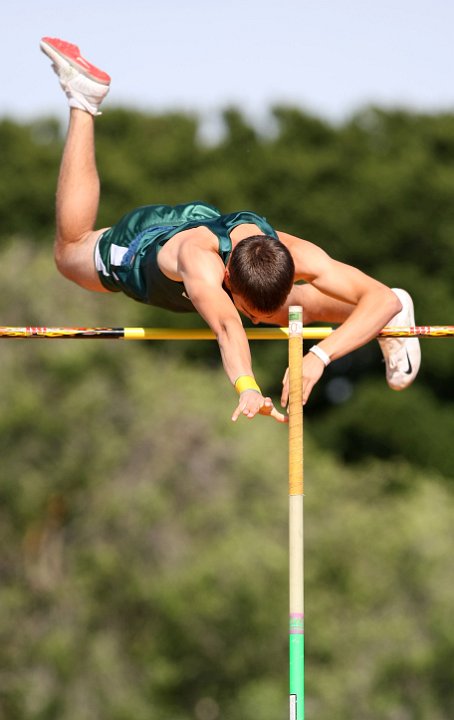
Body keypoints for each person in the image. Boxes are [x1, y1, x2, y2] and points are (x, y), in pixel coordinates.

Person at [40, 37, 421, 424]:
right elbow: (227, 326)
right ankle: (83, 101)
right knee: (69, 254)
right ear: (226, 277)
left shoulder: (293, 253)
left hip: (214, 231)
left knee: (292, 309)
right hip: (144, 246)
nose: (253, 320)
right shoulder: (200, 265)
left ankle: (386, 327)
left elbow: (382, 297)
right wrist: (248, 386)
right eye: (249, 311)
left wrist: (319, 356)